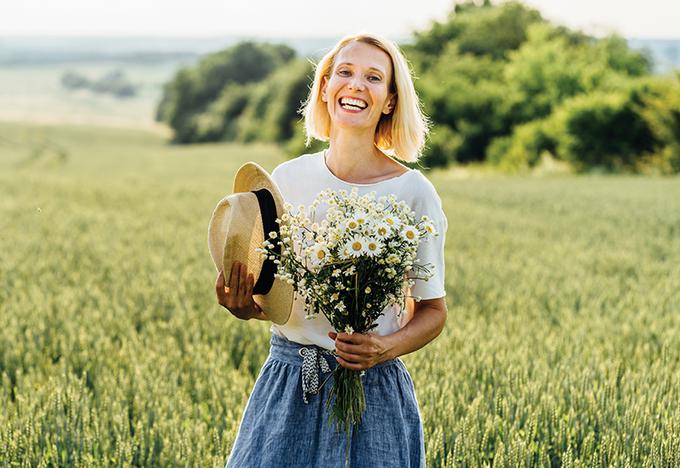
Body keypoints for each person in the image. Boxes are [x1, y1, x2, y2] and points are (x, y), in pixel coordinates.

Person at [215, 32, 448, 468]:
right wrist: (244, 305)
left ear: (391, 101)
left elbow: (433, 310)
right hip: (288, 383)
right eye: (344, 72)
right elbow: (277, 298)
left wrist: (385, 347)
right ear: (324, 87)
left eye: (374, 77)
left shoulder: (414, 192)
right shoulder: (287, 179)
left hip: (373, 390)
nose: (356, 84)